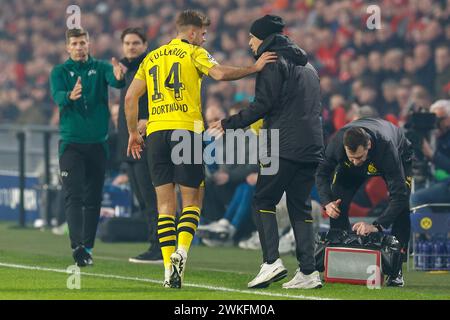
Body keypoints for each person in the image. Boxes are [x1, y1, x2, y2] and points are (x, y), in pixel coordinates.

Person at [125, 10, 277, 288]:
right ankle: (182, 252)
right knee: (192, 201)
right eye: (203, 33)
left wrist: (134, 132)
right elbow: (219, 73)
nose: (204, 38)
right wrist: (253, 69)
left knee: (164, 206)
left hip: (157, 134)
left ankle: (168, 269)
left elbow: (130, 96)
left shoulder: (151, 57)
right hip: (186, 131)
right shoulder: (193, 52)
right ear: (192, 32)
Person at [209, 15, 324, 289]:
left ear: (262, 37)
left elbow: (262, 105)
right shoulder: (309, 67)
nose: (249, 42)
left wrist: (229, 123)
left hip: (281, 144)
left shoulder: (272, 62)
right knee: (300, 206)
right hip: (311, 146)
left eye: (251, 36)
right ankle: (309, 272)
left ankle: (271, 262)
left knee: (263, 200)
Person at [49, 28, 125, 267]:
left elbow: (116, 82)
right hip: (71, 144)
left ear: (89, 44)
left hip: (98, 144)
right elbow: (57, 94)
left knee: (93, 198)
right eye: (75, 43)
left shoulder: (102, 67)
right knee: (74, 194)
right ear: (68, 47)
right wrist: (69, 96)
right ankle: (77, 246)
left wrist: (119, 75)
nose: (80, 47)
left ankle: (88, 248)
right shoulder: (60, 71)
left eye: (83, 42)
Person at [316, 118, 413, 287]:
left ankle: (396, 270)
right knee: (337, 201)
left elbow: (399, 196)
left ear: (368, 145)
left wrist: (377, 225)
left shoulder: (386, 148)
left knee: (402, 207)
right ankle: (341, 261)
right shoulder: (337, 144)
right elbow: (321, 174)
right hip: (359, 159)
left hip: (400, 153)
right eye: (351, 157)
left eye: (359, 157)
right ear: (345, 149)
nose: (355, 162)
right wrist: (327, 202)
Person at [114, 27, 162, 264]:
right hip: (128, 144)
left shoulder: (151, 67)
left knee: (152, 198)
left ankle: (160, 247)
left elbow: (160, 98)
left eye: (135, 43)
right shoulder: (128, 70)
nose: (131, 47)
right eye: (127, 43)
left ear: (145, 45)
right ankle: (155, 244)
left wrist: (149, 117)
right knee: (143, 200)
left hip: (145, 143)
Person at [410, 100, 450, 206]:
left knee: (416, 198)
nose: (435, 124)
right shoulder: (430, 135)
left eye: (439, 120)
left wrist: (432, 154)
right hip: (432, 179)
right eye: (433, 119)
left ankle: (425, 222)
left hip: (446, 183)